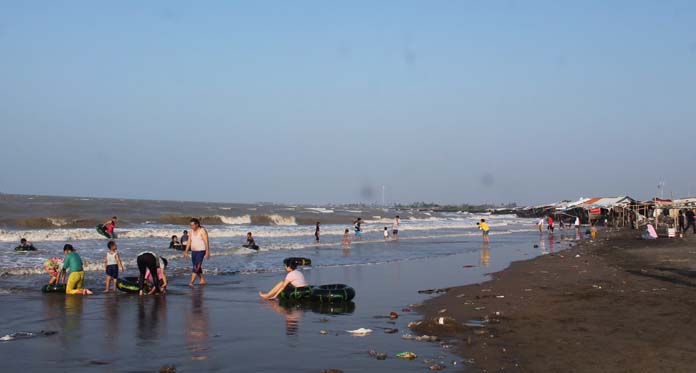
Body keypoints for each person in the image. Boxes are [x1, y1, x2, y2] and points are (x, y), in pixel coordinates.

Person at [185, 218, 209, 287]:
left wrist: (207, 251)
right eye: (190, 225)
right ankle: (202, 279)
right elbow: (189, 242)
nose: (191, 227)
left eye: (192, 225)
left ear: (197, 224)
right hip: (194, 251)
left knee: (196, 267)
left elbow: (206, 242)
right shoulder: (191, 232)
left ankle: (191, 282)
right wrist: (186, 251)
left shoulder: (202, 231)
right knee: (196, 267)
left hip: (201, 251)